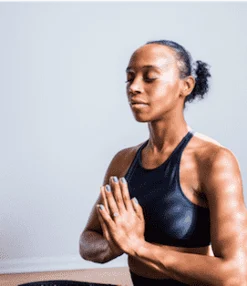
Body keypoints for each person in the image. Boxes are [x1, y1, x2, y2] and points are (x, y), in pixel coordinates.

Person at [79, 40, 247, 285]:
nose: (134, 87)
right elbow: (88, 239)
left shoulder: (214, 161)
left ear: (185, 86)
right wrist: (114, 245)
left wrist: (139, 247)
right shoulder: (123, 161)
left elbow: (235, 273)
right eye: (129, 78)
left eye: (149, 77)